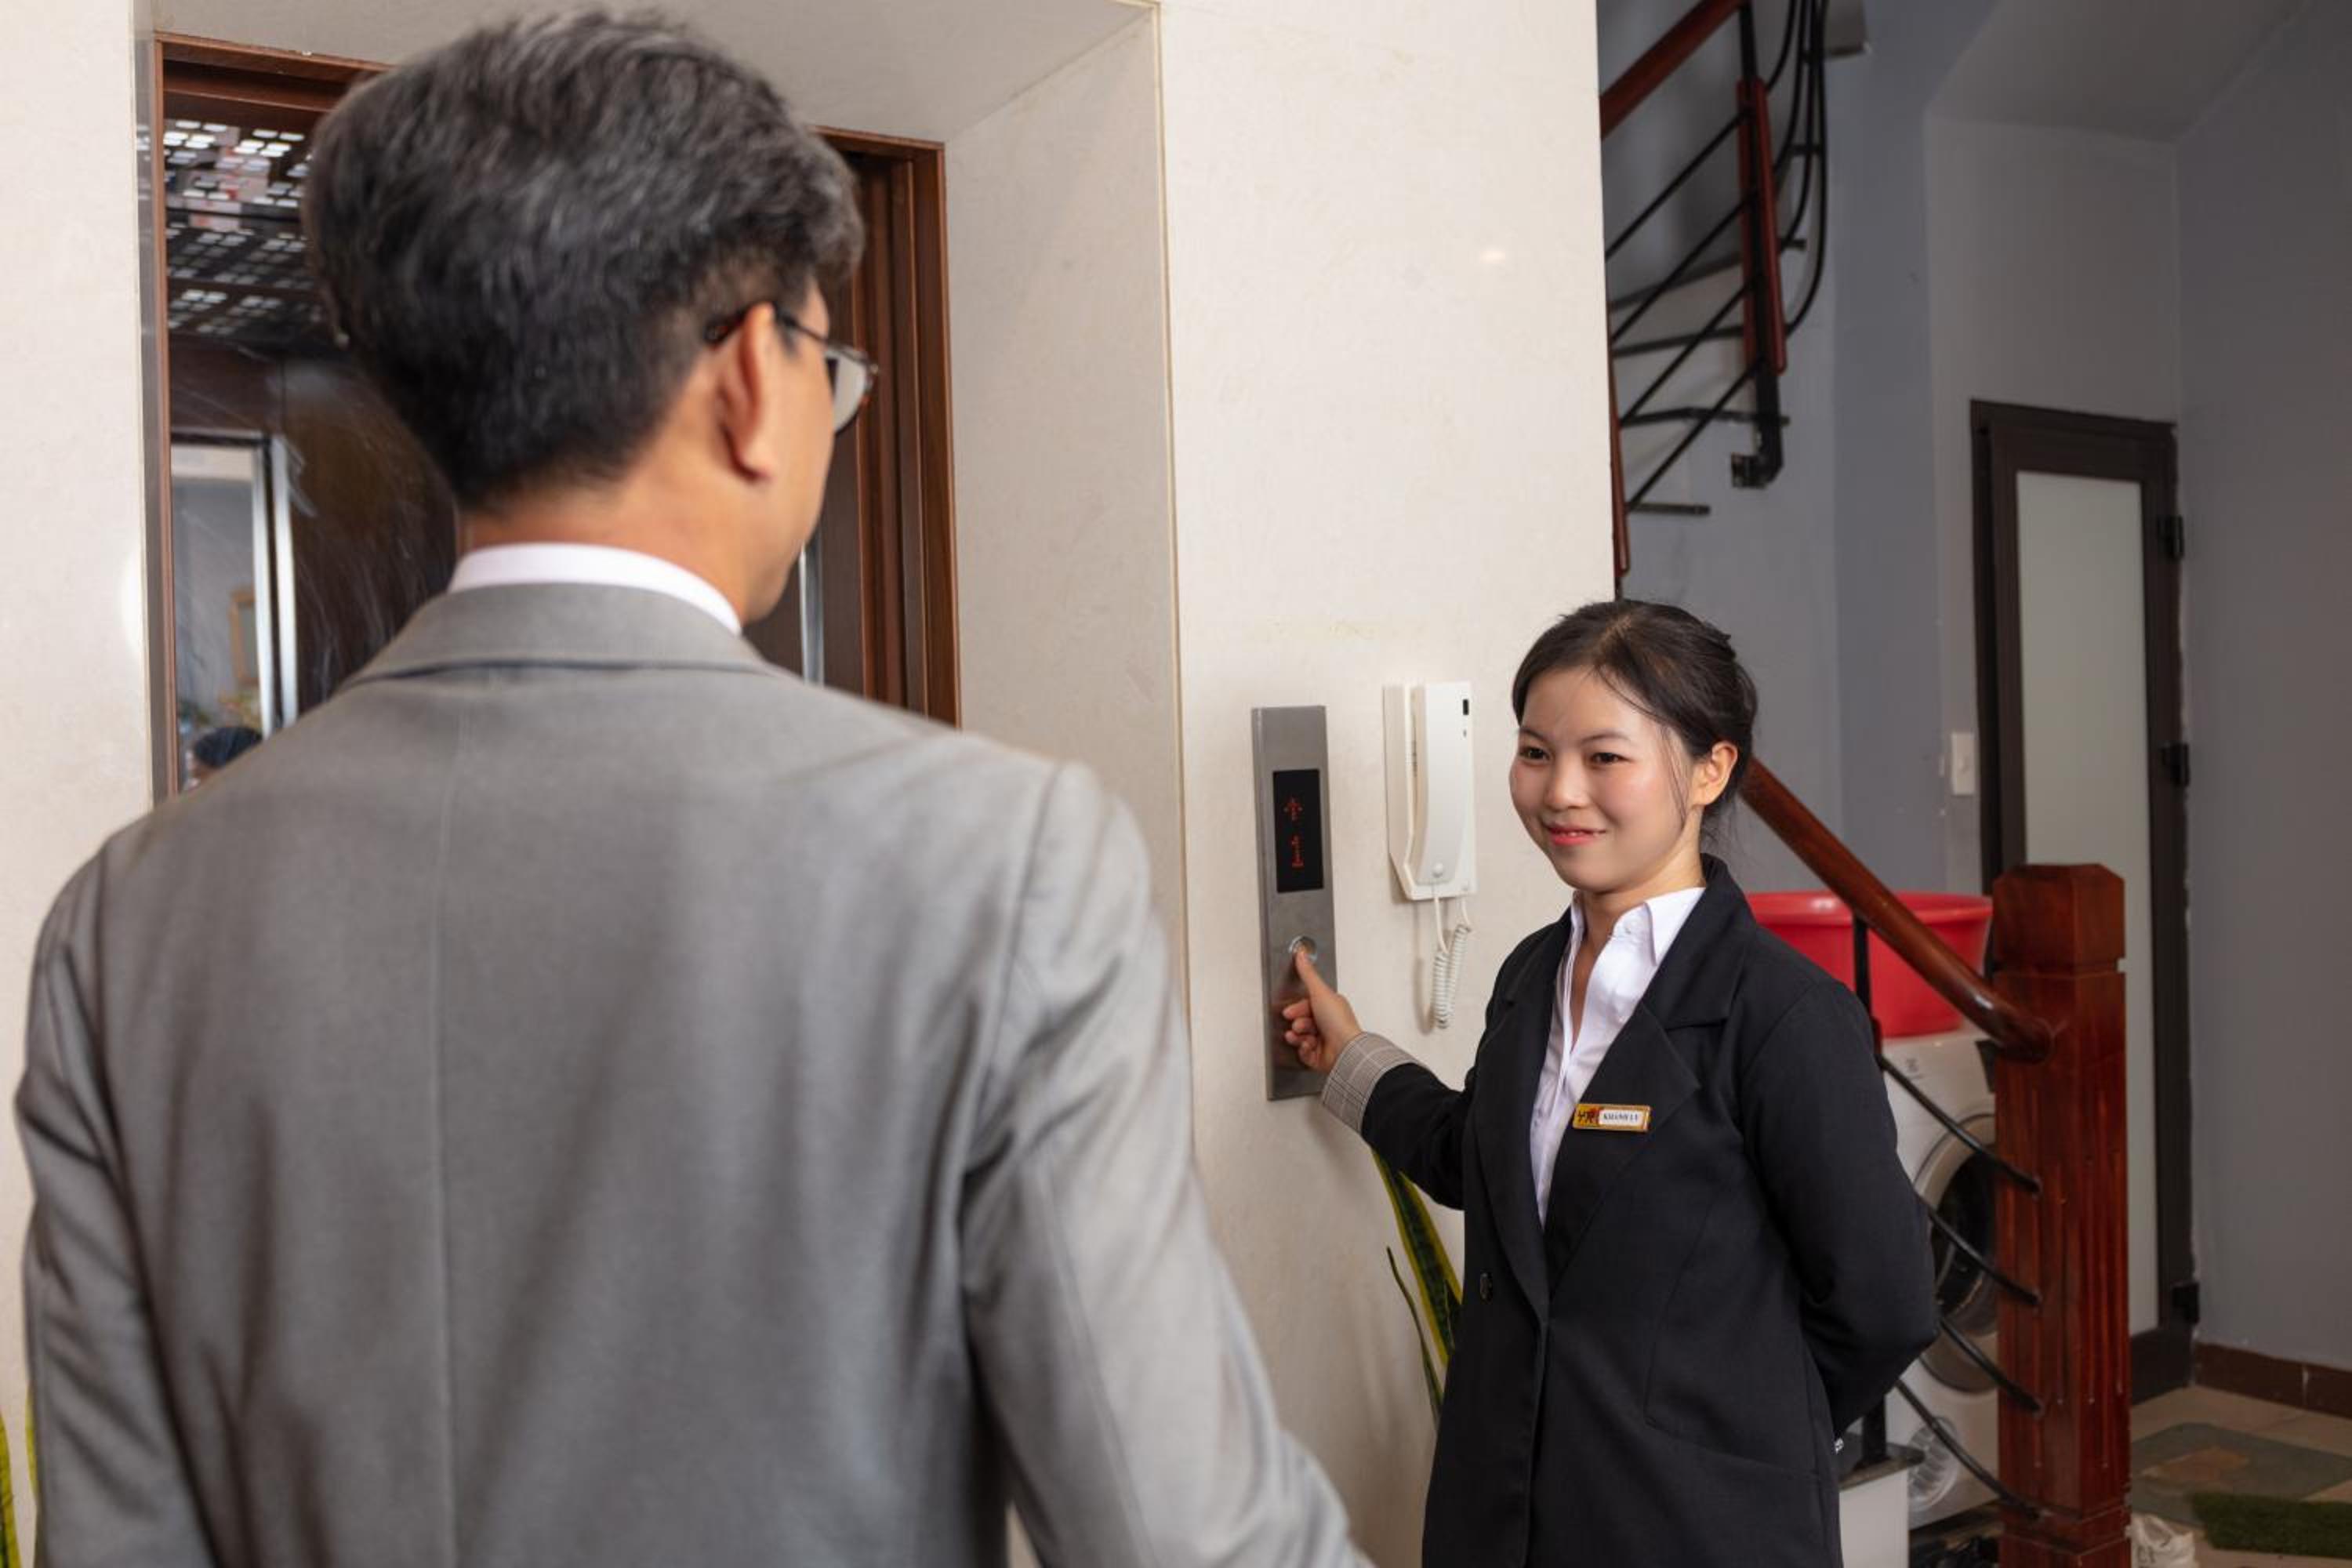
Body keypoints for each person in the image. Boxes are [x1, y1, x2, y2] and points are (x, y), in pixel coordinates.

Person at [18, 15, 1357, 1566]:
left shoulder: (128, 921)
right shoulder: (1000, 865)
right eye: (827, 367)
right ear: (745, 381)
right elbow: (1189, 1538)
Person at [1283, 600, 1935, 1568]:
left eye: (1605, 756)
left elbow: (1884, 1304)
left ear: (1709, 770)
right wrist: (1349, 1058)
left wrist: (1727, 1432)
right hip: (1500, 1519)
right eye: (1536, 752)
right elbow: (1483, 1160)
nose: (1561, 792)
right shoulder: (1531, 974)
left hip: (1693, 1530)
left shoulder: (1785, 1016)